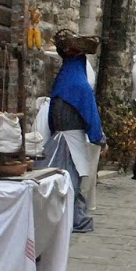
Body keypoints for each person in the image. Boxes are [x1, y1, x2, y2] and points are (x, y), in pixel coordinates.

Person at [40, 29, 103, 233]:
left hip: (58, 136)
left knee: (60, 177)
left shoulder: (62, 80)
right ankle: (72, 218)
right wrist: (98, 137)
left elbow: (51, 115)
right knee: (71, 181)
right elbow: (90, 113)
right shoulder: (80, 85)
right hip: (72, 138)